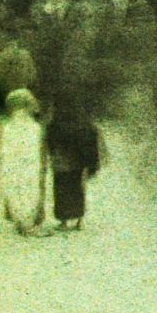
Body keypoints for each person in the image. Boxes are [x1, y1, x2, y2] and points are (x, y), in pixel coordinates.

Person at [45, 94, 102, 231]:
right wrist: (90, 164)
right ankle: (79, 220)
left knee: (61, 190)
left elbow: (51, 143)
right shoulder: (83, 123)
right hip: (78, 162)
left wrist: (52, 154)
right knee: (78, 189)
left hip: (61, 162)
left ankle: (64, 221)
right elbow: (91, 142)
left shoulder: (55, 123)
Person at [0, 87, 46, 235]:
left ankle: (19, 221)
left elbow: (4, 148)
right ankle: (27, 223)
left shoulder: (6, 126)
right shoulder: (34, 127)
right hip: (28, 163)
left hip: (11, 163)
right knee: (29, 188)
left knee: (14, 187)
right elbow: (36, 148)